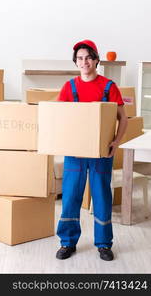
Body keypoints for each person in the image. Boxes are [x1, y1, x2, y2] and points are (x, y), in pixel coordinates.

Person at [56, 39, 128, 261]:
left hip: (101, 154)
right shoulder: (69, 87)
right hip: (75, 154)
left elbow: (122, 118)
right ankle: (67, 243)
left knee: (102, 198)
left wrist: (116, 143)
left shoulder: (109, 86)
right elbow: (60, 118)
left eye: (88, 57)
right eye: (80, 58)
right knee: (70, 198)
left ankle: (104, 244)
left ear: (96, 60)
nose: (84, 61)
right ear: (75, 62)